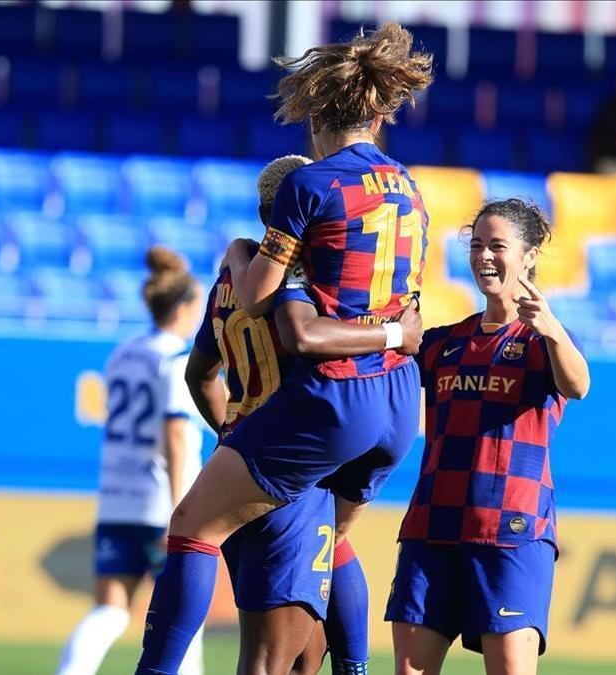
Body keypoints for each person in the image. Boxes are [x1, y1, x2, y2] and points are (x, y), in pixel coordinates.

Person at [134, 22, 433, 675]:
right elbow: (403, 299)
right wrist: (391, 333)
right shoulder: (411, 190)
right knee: (336, 538)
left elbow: (258, 295)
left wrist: (239, 253)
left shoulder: (310, 185)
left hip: (335, 393)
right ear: (380, 113)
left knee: (192, 525)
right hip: (400, 400)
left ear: (316, 114)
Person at [184, 155, 422, 675]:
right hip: (294, 465)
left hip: (247, 457)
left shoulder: (233, 279)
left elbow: (198, 373)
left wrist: (235, 440)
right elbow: (311, 338)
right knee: (280, 660)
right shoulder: (301, 288)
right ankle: (356, 666)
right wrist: (393, 332)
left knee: (285, 657)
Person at [386, 199, 591, 675]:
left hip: (511, 534)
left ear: (530, 255)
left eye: (497, 246)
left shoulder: (546, 341)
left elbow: (578, 386)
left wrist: (553, 330)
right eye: (476, 246)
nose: (484, 257)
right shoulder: (441, 343)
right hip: (432, 527)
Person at [56, 247, 206, 675]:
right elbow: (176, 435)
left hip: (118, 498)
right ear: (184, 308)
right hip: (164, 503)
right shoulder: (178, 360)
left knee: (110, 609)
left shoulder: (121, 355)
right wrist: (182, 510)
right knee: (182, 614)